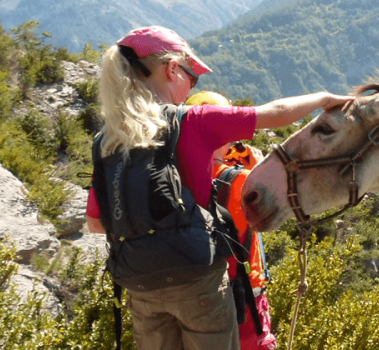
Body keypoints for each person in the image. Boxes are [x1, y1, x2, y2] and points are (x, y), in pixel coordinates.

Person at [85, 26, 353, 350]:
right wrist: (325, 99)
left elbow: (97, 223)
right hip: (198, 281)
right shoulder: (192, 121)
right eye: (190, 77)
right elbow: (275, 114)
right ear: (171, 69)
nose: (190, 87)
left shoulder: (106, 140)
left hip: (140, 284)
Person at [186, 91, 277, 350]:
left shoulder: (175, 178)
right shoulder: (243, 181)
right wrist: (259, 167)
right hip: (244, 299)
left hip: (192, 299)